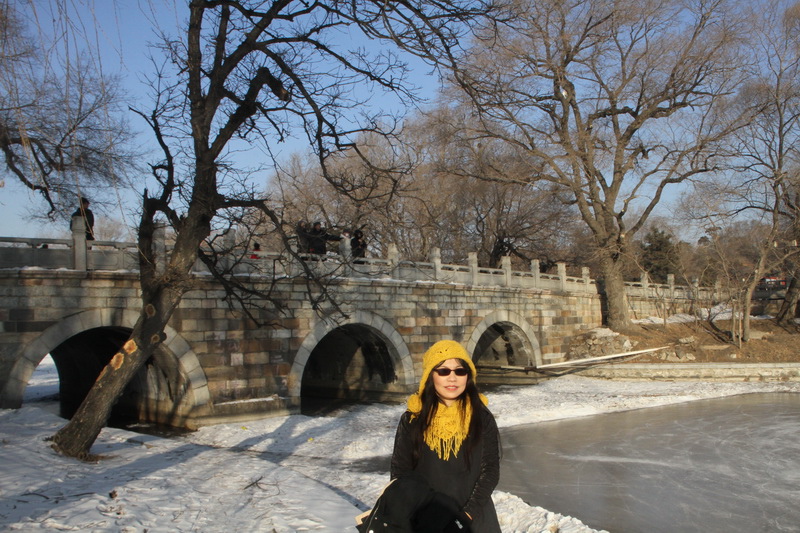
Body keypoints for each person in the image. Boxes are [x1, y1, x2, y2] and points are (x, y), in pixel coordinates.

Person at [390, 340, 501, 532]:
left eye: (460, 371)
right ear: (430, 375)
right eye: (443, 371)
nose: (452, 378)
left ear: (468, 375)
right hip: (427, 521)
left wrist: (466, 515)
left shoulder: (481, 417)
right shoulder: (413, 419)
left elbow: (490, 470)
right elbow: (400, 473)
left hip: (475, 520)